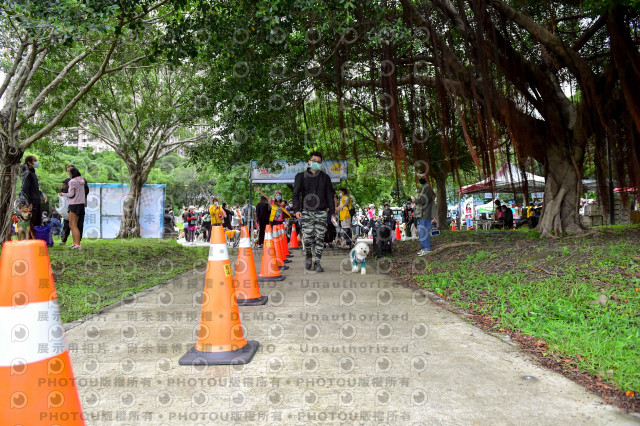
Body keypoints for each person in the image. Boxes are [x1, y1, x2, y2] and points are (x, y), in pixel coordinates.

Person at [292, 151, 336, 272]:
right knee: (307, 237)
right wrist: (296, 210)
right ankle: (308, 255)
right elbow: (295, 195)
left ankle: (317, 262)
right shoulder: (301, 176)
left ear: (321, 163)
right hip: (306, 211)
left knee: (320, 238)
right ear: (309, 162)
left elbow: (330, 196)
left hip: (321, 212)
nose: (316, 163)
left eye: (319, 162)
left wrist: (332, 213)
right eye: (314, 161)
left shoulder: (325, 178)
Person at [58, 167, 86, 249]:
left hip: (74, 204)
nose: (68, 174)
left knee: (73, 225)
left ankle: (77, 244)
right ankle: (75, 243)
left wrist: (63, 194)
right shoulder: (81, 180)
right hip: (80, 204)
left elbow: (71, 194)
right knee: (72, 224)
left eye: (68, 172)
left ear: (71, 173)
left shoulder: (72, 181)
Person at [19, 155, 47, 231]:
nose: (37, 162)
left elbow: (34, 188)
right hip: (32, 203)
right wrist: (28, 203)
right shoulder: (27, 173)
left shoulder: (32, 173)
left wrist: (42, 194)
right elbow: (25, 189)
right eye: (35, 161)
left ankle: (35, 237)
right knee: (32, 222)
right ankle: (30, 238)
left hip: (36, 201)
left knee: (37, 222)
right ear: (29, 162)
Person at [414, 172, 436, 256]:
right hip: (421, 213)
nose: (421, 178)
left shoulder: (427, 187)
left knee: (424, 231)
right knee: (421, 231)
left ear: (427, 177)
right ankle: (424, 248)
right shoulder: (424, 187)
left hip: (425, 213)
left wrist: (414, 200)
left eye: (423, 176)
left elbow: (423, 200)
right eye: (420, 177)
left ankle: (427, 249)